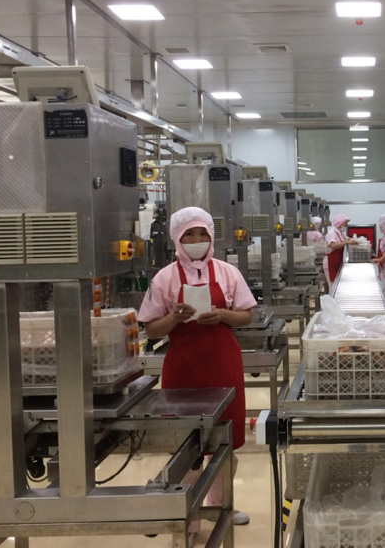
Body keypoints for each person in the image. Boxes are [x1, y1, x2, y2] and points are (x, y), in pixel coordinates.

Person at [137, 206, 255, 534]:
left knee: (225, 440)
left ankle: (219, 505)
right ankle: (186, 511)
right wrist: (174, 318)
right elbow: (151, 329)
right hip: (183, 368)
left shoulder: (228, 272)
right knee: (186, 444)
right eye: (189, 234)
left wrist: (223, 315)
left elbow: (247, 315)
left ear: (211, 236)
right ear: (177, 238)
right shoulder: (164, 278)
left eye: (203, 233)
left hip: (223, 365)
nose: (197, 240)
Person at [324, 214, 358, 290]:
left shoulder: (340, 233)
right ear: (340, 223)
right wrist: (347, 242)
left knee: (336, 285)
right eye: (345, 224)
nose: (346, 226)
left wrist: (358, 241)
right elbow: (333, 245)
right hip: (330, 263)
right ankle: (330, 298)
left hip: (336, 262)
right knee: (332, 287)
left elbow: (349, 239)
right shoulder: (331, 233)